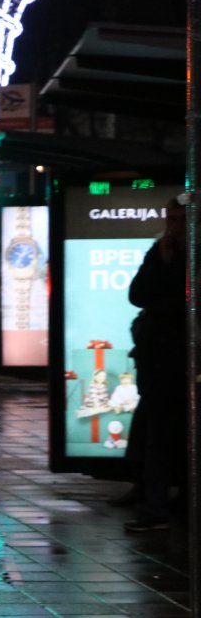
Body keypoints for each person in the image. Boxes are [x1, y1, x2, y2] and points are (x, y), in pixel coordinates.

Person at [115, 198, 187, 532]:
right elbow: (137, 294)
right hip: (157, 357)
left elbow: (171, 300)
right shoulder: (160, 251)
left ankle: (164, 503)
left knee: (167, 431)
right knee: (153, 428)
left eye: (180, 218)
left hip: (178, 357)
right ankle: (152, 495)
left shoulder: (182, 254)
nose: (173, 225)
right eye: (170, 218)